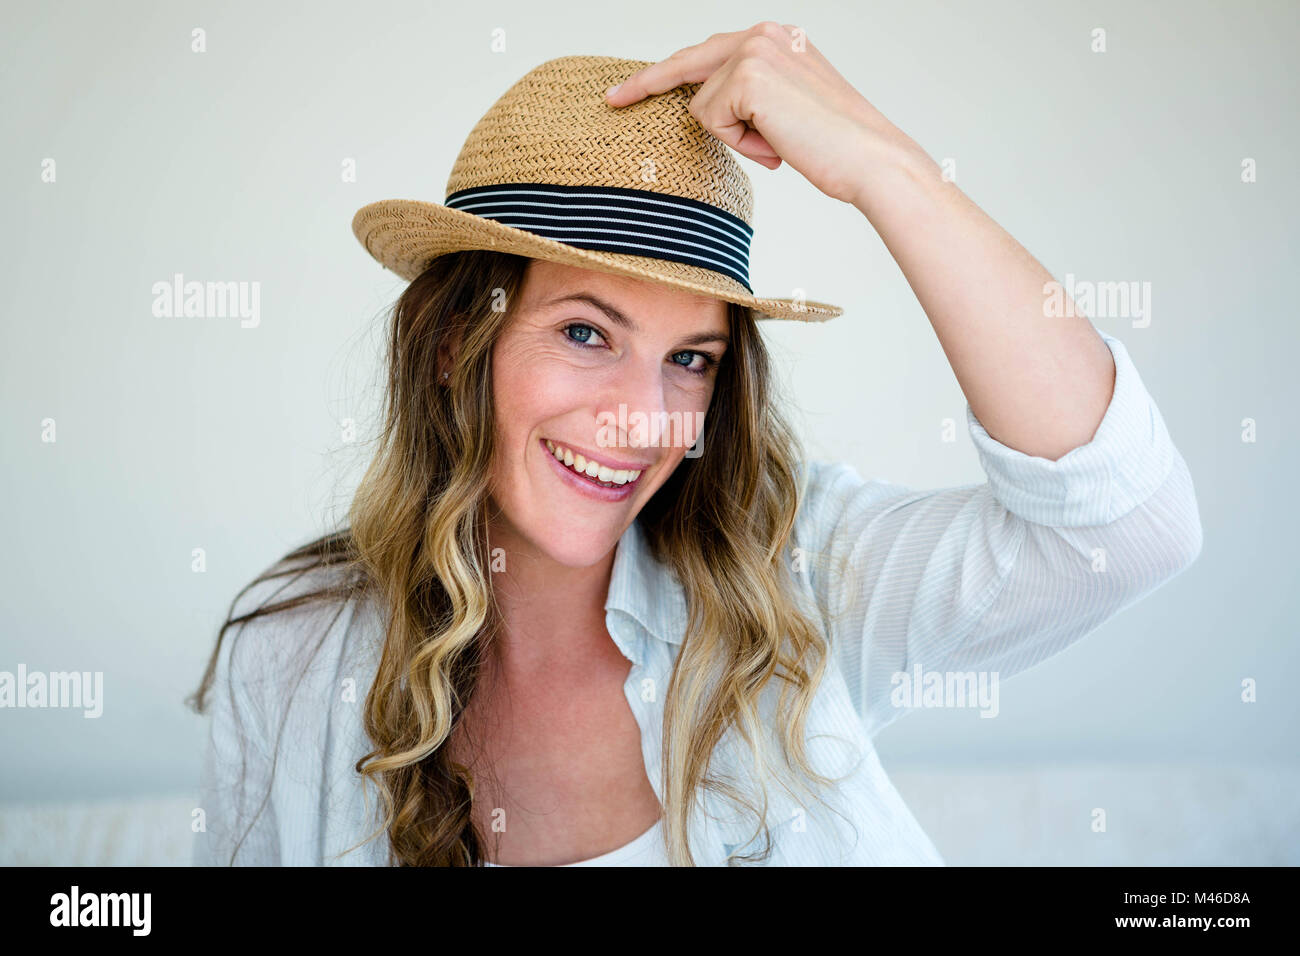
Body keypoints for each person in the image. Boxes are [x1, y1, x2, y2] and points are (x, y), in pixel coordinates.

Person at [188, 25, 1202, 867]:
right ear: (458, 344)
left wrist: (883, 168)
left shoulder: (796, 574)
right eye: (586, 333)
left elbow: (1126, 527)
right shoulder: (291, 655)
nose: (643, 414)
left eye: (690, 358)